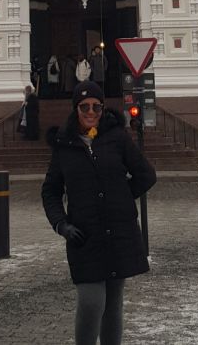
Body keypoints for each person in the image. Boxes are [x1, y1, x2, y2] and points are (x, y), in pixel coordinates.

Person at [42, 81, 156, 345]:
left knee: (114, 303)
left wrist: (122, 197)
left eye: (96, 106)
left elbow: (146, 174)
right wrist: (61, 224)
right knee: (92, 301)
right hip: (85, 236)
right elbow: (50, 191)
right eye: (84, 107)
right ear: (75, 109)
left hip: (119, 232)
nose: (91, 112)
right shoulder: (64, 144)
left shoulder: (116, 137)